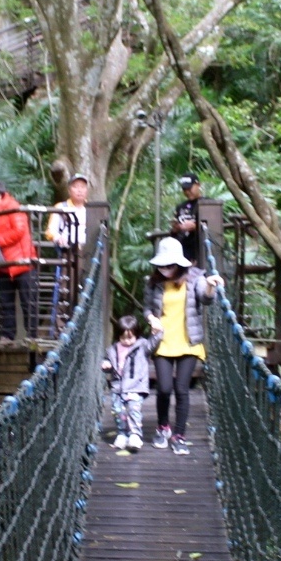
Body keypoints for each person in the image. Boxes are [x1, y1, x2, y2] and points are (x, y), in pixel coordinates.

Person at [144, 236, 223, 455]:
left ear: (179, 263)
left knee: (181, 390)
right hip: (163, 341)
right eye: (161, 266)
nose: (165, 270)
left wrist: (209, 286)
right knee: (163, 389)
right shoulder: (154, 282)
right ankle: (163, 428)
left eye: (169, 266)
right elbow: (147, 308)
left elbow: (206, 300)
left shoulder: (196, 277)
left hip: (189, 342)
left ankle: (179, 436)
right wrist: (152, 319)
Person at [0, 179, 36, 342]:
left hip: (22, 262)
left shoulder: (13, 207)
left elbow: (19, 231)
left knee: (28, 302)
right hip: (1, 263)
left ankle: (32, 337)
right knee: (5, 302)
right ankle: (6, 336)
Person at [101, 314, 156, 451]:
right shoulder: (113, 349)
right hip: (118, 386)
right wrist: (106, 365)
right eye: (123, 337)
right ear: (118, 336)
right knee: (117, 411)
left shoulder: (142, 346)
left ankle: (135, 434)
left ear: (136, 335)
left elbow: (153, 343)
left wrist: (158, 332)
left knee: (133, 409)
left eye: (130, 337)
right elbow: (109, 363)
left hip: (135, 386)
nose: (127, 341)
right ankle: (122, 434)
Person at [45, 172, 91, 329]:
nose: (79, 190)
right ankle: (60, 329)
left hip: (88, 252)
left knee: (86, 289)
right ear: (70, 189)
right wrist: (59, 238)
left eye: (83, 187)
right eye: (76, 187)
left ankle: (82, 327)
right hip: (68, 253)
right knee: (65, 290)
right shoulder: (61, 208)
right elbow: (50, 231)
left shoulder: (91, 209)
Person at [169, 174, 207, 264]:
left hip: (201, 249)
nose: (187, 192)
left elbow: (215, 226)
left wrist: (195, 226)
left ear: (198, 185)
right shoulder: (181, 207)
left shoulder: (208, 203)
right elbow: (174, 233)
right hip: (183, 250)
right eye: (184, 189)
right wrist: (175, 229)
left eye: (189, 189)